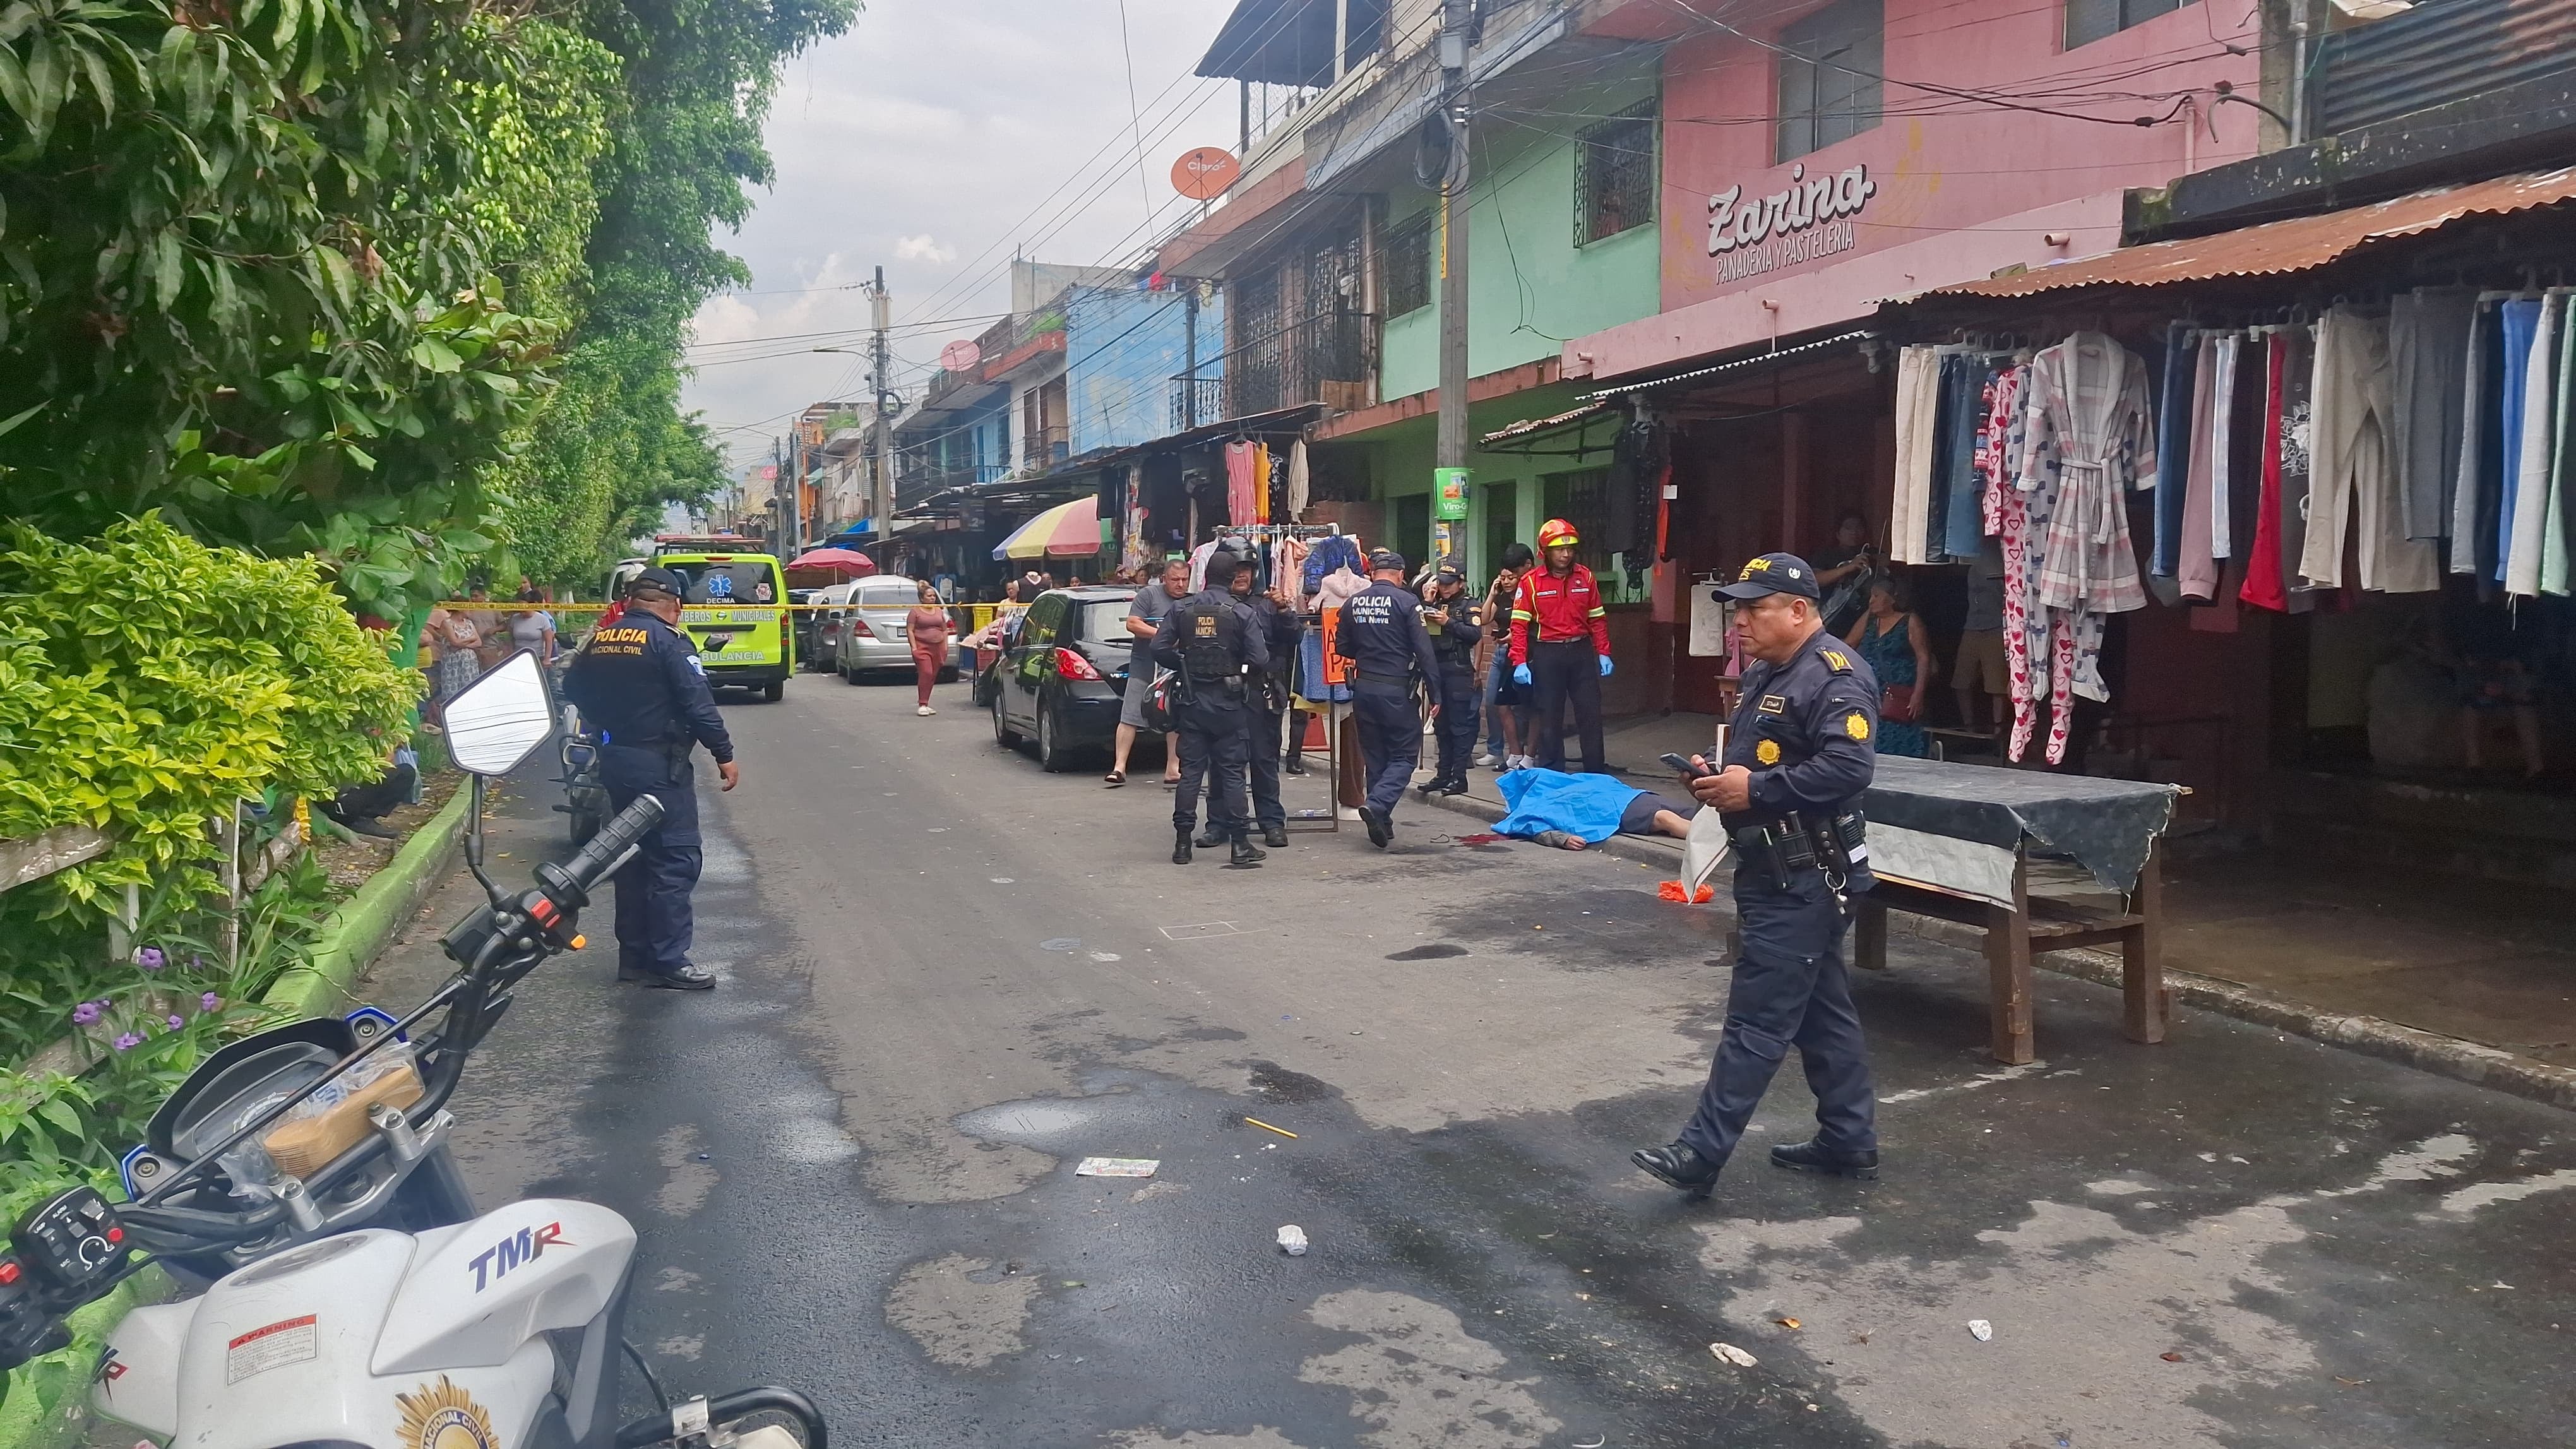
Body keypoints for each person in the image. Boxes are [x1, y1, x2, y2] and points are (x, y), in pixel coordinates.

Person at [1632, 552, 1881, 1200]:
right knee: (1822, 1014)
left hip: (1804, 875)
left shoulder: (1834, 675)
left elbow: (1849, 770)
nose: (1739, 621)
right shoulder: (1772, 671)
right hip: (1776, 868)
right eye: (1737, 609)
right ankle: (1848, 1140)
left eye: (1754, 608)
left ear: (1799, 611)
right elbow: (1757, 767)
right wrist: (1716, 781)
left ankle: (1700, 1151)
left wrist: (1758, 788)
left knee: (1757, 1021)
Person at [561, 567, 740, 991]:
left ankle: (635, 958)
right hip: (659, 766)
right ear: (674, 605)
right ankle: (669, 960)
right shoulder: (669, 641)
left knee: (632, 857)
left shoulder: (601, 639)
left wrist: (609, 720)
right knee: (675, 858)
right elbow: (698, 704)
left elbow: (572, 685)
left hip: (617, 759)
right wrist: (724, 754)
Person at [1153, 557, 1270, 867]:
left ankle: (1182, 844)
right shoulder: (1242, 612)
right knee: (1232, 773)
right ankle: (1240, 844)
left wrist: (1184, 664)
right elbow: (1259, 659)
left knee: (1191, 772)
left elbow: (1159, 648)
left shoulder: (1182, 609)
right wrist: (1239, 670)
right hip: (1229, 703)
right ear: (1233, 579)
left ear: (1204, 576)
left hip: (1192, 702)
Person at [1333, 548, 1443, 848]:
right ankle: (1378, 805)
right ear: (1400, 575)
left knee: (1376, 756)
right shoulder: (1408, 602)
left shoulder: (1352, 603)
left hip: (1364, 688)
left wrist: (1371, 652)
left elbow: (1343, 646)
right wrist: (1436, 693)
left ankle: (1382, 822)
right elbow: (1424, 651)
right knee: (1405, 755)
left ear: (1372, 574)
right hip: (1396, 689)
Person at [1508, 520, 1613, 775]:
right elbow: (1519, 627)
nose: (1566, 555)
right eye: (1558, 549)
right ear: (1545, 552)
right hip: (1548, 654)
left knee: (1590, 715)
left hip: (1581, 652)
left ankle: (1595, 774)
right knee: (1549, 718)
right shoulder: (1531, 582)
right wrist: (1519, 661)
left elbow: (1597, 619)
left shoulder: (1586, 577)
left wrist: (1604, 653)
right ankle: (1553, 774)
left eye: (1570, 549)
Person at [1212, 554, 1299, 850]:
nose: (1241, 576)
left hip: (1260, 692)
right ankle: (1219, 824)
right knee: (1222, 762)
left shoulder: (1266, 604)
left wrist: (1284, 609)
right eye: (1235, 570)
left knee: (1264, 761)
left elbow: (1295, 637)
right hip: (1220, 693)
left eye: (1246, 570)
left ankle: (1272, 822)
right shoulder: (1209, 604)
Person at [1109, 558, 1190, 787]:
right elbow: (1133, 624)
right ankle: (1119, 767)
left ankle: (1173, 769)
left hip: (1174, 668)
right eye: (1175, 580)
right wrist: (1162, 635)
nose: (1181, 584)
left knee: (1174, 717)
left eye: (1185, 580)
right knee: (1130, 716)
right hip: (1145, 665)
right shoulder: (1149, 596)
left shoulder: (1190, 600)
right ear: (1164, 579)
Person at [1846, 576, 1935, 759]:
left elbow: (1923, 658)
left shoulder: (1910, 621)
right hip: (1870, 692)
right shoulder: (1869, 620)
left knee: (1901, 741)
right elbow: (1849, 644)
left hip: (1899, 694)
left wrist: (1918, 694)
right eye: (1871, 596)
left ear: (1893, 598)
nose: (1872, 601)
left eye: (1877, 596)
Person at [1417, 563, 1483, 796]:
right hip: (1436, 669)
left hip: (1458, 669)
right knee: (1441, 726)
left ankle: (1459, 777)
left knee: (1459, 726)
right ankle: (1442, 775)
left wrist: (1448, 623)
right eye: (1441, 583)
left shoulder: (1469, 605)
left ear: (1461, 583)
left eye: (1449, 583)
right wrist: (1427, 602)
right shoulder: (1434, 603)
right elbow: (1419, 629)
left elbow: (1475, 634)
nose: (1444, 588)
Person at [1479, 542, 1534, 769]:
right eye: (1503, 577)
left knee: (1518, 706)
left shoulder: (1526, 595)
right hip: (1501, 654)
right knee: (1492, 701)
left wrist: (1514, 637)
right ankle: (1496, 750)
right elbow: (1483, 619)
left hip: (1519, 654)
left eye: (1511, 576)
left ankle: (1520, 751)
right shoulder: (1501, 597)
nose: (1507, 581)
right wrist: (1492, 593)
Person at [1953, 540, 2008, 734]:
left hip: (1995, 626)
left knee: (1996, 684)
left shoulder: (2000, 556)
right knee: (1961, 679)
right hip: (1972, 625)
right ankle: (1968, 726)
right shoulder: (1969, 551)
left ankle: (1998, 729)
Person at [1812, 511, 1878, 638]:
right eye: (1848, 528)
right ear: (1838, 533)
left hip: (1865, 623)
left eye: (1859, 528)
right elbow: (1815, 580)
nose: (1854, 532)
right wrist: (1848, 568)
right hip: (1831, 621)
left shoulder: (1872, 555)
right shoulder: (1826, 555)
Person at [905, 580, 951, 715]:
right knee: (926, 673)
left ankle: (926, 702)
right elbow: (910, 630)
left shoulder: (938, 611)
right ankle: (922, 704)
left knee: (932, 675)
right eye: (929, 596)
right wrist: (914, 648)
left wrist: (945, 646)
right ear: (921, 598)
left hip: (938, 648)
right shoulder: (915, 612)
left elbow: (944, 629)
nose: (932, 598)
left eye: (933, 596)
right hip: (922, 647)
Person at [508, 588, 555, 664]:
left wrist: (547, 658)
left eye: (524, 610)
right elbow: (510, 638)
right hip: (518, 657)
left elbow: (549, 640)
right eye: (520, 610)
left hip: (537, 657)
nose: (522, 613)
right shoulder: (515, 618)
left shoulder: (543, 619)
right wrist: (509, 653)